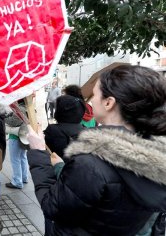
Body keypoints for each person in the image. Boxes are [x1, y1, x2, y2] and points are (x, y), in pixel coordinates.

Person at [26, 65, 166, 235]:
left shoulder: (90, 164)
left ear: (109, 102)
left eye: (95, 94)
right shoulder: (158, 156)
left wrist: (39, 152)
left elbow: (52, 207)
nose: (91, 101)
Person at [43, 95, 85, 161]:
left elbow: (41, 147)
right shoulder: (86, 130)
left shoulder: (53, 130)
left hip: (58, 168)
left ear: (60, 111)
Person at [4, 100, 29, 189]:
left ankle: (17, 181)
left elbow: (13, 122)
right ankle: (24, 177)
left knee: (15, 159)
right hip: (23, 136)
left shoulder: (20, 109)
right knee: (22, 157)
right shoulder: (27, 108)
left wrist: (4, 117)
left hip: (16, 136)